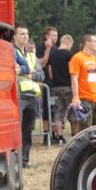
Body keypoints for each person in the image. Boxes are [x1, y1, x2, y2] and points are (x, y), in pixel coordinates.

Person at [13, 25, 44, 168]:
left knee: (27, 130)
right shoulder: (12, 52)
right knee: (16, 129)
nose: (25, 36)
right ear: (14, 36)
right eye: (21, 33)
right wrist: (26, 72)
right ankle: (15, 160)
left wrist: (29, 73)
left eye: (27, 33)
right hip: (18, 94)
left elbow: (41, 75)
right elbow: (13, 70)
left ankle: (24, 160)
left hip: (32, 96)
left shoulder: (32, 56)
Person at [69, 34, 96, 135]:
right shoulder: (77, 58)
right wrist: (76, 97)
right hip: (84, 98)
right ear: (87, 43)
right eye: (94, 41)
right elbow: (74, 78)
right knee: (85, 130)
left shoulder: (94, 58)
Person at [47, 34, 74, 144]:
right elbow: (72, 70)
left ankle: (60, 137)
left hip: (56, 87)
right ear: (68, 42)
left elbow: (50, 72)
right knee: (72, 112)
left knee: (58, 113)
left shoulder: (52, 55)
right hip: (68, 86)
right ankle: (74, 135)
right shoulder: (69, 55)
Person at [36, 27, 58, 144]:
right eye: (53, 35)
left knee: (55, 109)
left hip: (56, 83)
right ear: (47, 36)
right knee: (46, 108)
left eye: (56, 35)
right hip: (46, 82)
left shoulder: (57, 48)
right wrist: (48, 50)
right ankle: (46, 135)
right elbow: (42, 64)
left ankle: (54, 134)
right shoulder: (41, 47)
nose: (56, 37)